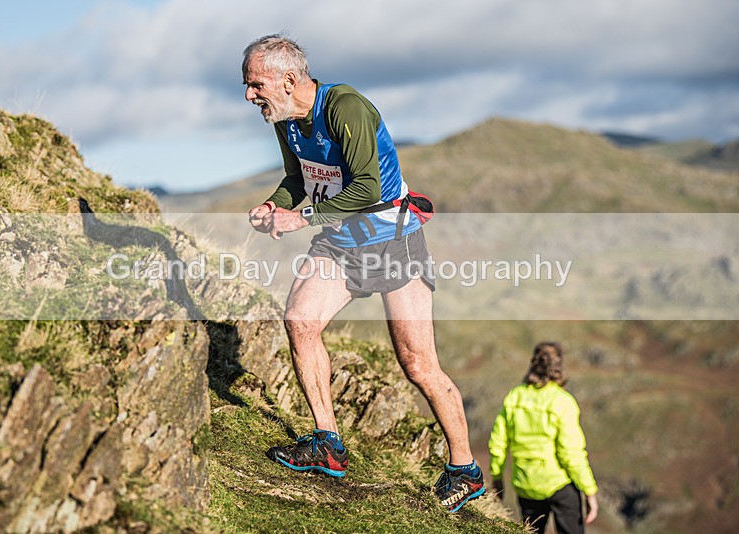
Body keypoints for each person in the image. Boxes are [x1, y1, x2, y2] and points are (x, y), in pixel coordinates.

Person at [241, 34, 484, 512]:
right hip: (340, 243)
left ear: (288, 80)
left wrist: (302, 218)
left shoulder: (345, 107)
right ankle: (327, 443)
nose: (250, 95)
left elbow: (367, 187)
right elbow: (298, 180)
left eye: (255, 84)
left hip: (392, 241)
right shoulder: (285, 119)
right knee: (300, 320)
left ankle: (465, 470)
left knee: (418, 365)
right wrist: (276, 204)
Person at [489, 342, 599, 534]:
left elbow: (498, 443)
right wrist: (589, 491)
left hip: (525, 484)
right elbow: (570, 453)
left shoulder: (515, 397)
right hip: (559, 484)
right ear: (559, 366)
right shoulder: (562, 401)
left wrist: (497, 477)